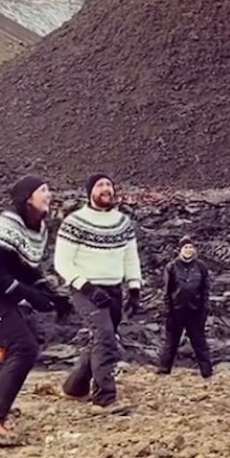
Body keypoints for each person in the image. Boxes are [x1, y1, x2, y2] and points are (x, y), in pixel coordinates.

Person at [0, 175, 72, 444]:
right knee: (23, 346)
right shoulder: (5, 226)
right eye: (44, 190)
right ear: (28, 197)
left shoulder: (33, 229)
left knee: (21, 342)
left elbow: (24, 269)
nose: (50, 195)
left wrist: (52, 296)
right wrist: (27, 294)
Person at [54, 173, 143, 409]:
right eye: (100, 185)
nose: (106, 189)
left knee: (100, 339)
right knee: (106, 337)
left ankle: (74, 387)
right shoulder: (75, 222)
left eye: (109, 185)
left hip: (114, 288)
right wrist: (86, 287)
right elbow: (62, 262)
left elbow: (130, 257)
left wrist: (134, 288)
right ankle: (105, 398)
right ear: (90, 192)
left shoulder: (123, 223)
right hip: (85, 289)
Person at [157, 235, 213, 378]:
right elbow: (166, 291)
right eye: (185, 247)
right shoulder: (171, 267)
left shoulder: (201, 267)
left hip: (195, 311)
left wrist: (205, 309)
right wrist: (167, 311)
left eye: (190, 247)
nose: (188, 250)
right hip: (176, 311)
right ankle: (163, 371)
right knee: (170, 343)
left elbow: (205, 290)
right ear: (179, 250)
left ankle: (207, 373)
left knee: (200, 343)